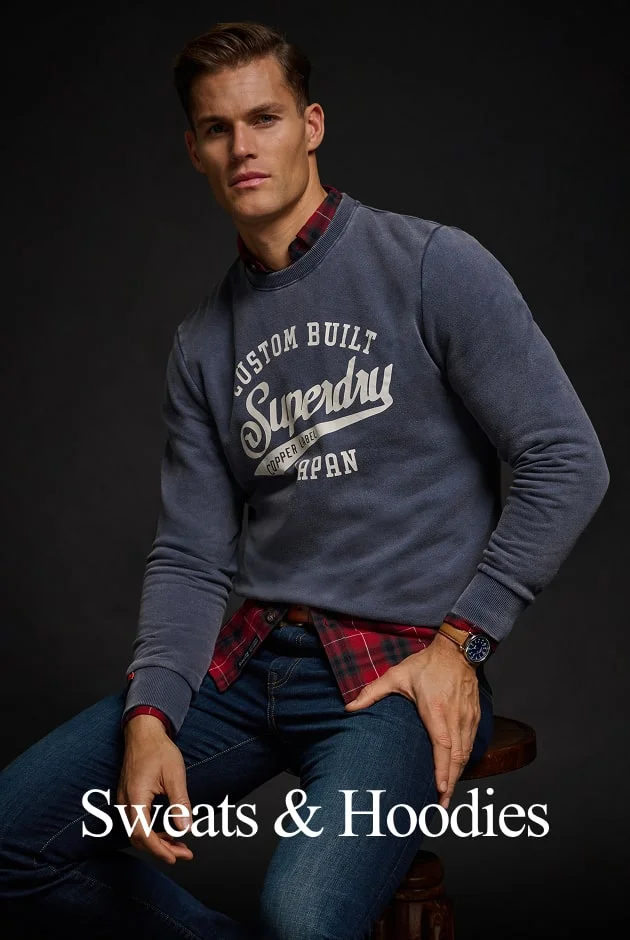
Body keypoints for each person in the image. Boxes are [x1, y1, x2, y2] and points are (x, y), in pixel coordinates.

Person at [0, 19, 609, 940]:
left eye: (265, 118)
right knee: (13, 837)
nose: (243, 147)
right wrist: (153, 712)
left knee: (303, 916)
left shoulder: (433, 265)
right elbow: (191, 554)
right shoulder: (203, 343)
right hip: (249, 667)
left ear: (311, 125)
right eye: (217, 129)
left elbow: (567, 458)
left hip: (396, 673)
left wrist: (465, 641)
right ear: (195, 151)